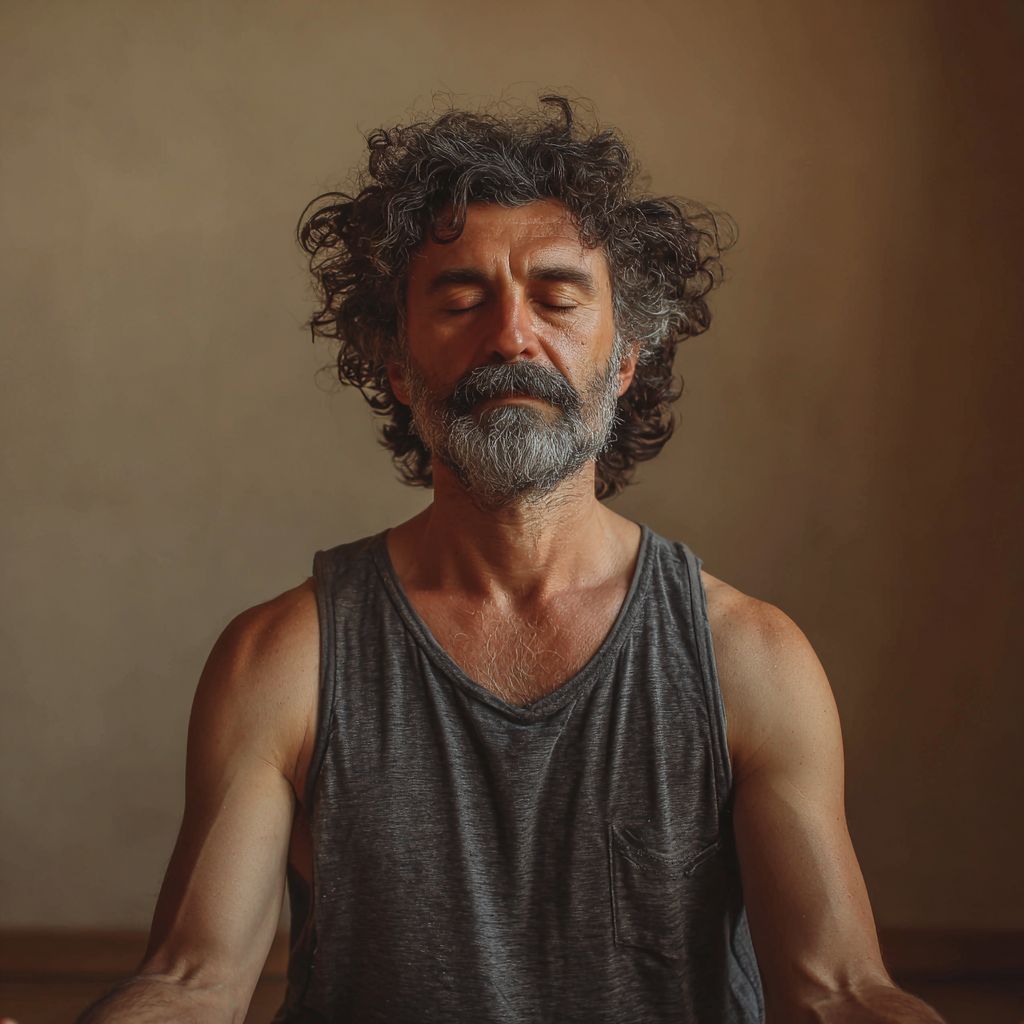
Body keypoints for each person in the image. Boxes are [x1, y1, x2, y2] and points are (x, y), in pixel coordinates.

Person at [79, 97, 944, 1023]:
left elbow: (838, 992)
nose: (511, 337)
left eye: (559, 300)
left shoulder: (751, 660)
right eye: (461, 302)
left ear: (624, 361)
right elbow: (193, 983)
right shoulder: (286, 660)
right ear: (396, 364)